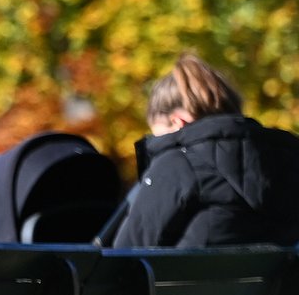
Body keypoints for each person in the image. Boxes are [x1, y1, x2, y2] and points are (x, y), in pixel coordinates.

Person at [110, 53, 299, 248]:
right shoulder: (290, 155)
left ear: (178, 122)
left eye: (158, 139)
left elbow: (124, 257)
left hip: (192, 279)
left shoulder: (178, 164)